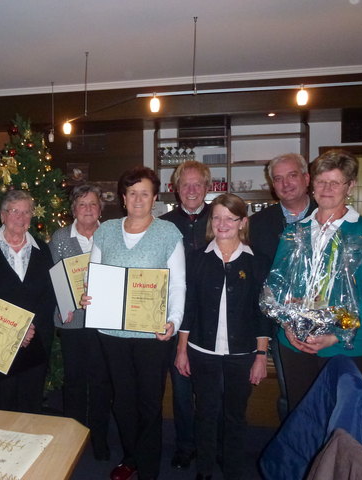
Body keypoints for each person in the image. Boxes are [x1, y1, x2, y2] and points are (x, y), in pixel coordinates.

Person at [83, 166, 186, 480]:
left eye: (145, 193)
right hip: (111, 332)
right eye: (132, 193)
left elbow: (178, 285)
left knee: (149, 402)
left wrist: (173, 320)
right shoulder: (106, 230)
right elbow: (94, 274)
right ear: (123, 198)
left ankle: (149, 466)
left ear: (154, 198)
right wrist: (89, 296)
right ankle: (131, 457)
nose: (138, 199)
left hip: (151, 334)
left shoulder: (168, 233)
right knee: (123, 401)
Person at [270, 149, 362, 412]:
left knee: (339, 424)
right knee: (301, 418)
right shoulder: (295, 231)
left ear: (350, 186)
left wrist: (336, 334)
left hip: (346, 348)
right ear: (312, 184)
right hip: (294, 344)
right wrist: (287, 324)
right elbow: (276, 285)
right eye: (322, 181)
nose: (327, 188)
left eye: (335, 182)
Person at [175, 193, 271, 480]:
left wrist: (261, 356)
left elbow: (263, 314)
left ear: (242, 222)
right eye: (217, 217)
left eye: (230, 217)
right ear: (210, 222)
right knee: (205, 412)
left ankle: (232, 469)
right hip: (201, 350)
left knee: (235, 416)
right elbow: (188, 308)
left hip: (242, 354)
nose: (222, 223)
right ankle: (204, 470)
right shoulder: (196, 259)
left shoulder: (257, 262)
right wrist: (181, 350)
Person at [249, 153, 316, 419]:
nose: (286, 184)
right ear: (272, 185)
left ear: (306, 178)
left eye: (292, 175)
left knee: (325, 392)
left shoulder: (328, 216)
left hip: (327, 323)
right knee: (291, 393)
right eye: (278, 178)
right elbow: (256, 279)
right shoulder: (259, 224)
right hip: (280, 327)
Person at [0, 190, 55, 414]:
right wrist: (14, 329)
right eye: (14, 211)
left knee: (31, 403)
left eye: (26, 212)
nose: (20, 217)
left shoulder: (42, 249)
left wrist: (29, 329)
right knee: (4, 403)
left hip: (36, 339)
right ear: (3, 215)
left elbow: (49, 295)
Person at [49, 184, 112, 461]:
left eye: (93, 204)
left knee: (101, 382)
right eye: (82, 204)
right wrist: (65, 306)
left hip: (104, 322)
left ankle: (100, 438)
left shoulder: (111, 234)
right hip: (73, 322)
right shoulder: (61, 236)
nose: (88, 209)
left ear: (101, 208)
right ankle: (73, 438)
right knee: (74, 382)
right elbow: (56, 276)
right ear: (73, 209)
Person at [159, 160, 211, 470]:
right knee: (180, 388)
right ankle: (185, 444)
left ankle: (211, 444)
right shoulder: (163, 224)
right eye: (185, 184)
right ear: (175, 189)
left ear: (207, 187)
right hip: (174, 318)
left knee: (210, 390)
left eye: (197, 184)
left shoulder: (221, 220)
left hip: (212, 317)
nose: (191, 190)